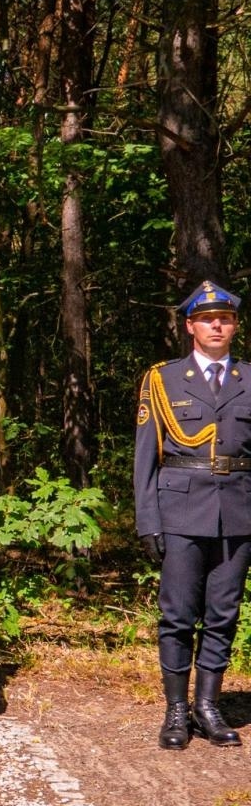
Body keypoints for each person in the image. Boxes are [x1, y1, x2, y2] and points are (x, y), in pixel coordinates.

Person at [134, 280, 248, 749]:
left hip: (240, 513)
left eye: (224, 318)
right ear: (190, 327)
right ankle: (176, 711)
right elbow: (145, 456)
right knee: (178, 615)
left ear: (235, 326)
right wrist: (148, 520)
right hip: (180, 511)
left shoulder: (250, 378)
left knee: (223, 614)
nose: (216, 325)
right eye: (206, 319)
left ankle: (207, 705)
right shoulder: (163, 380)